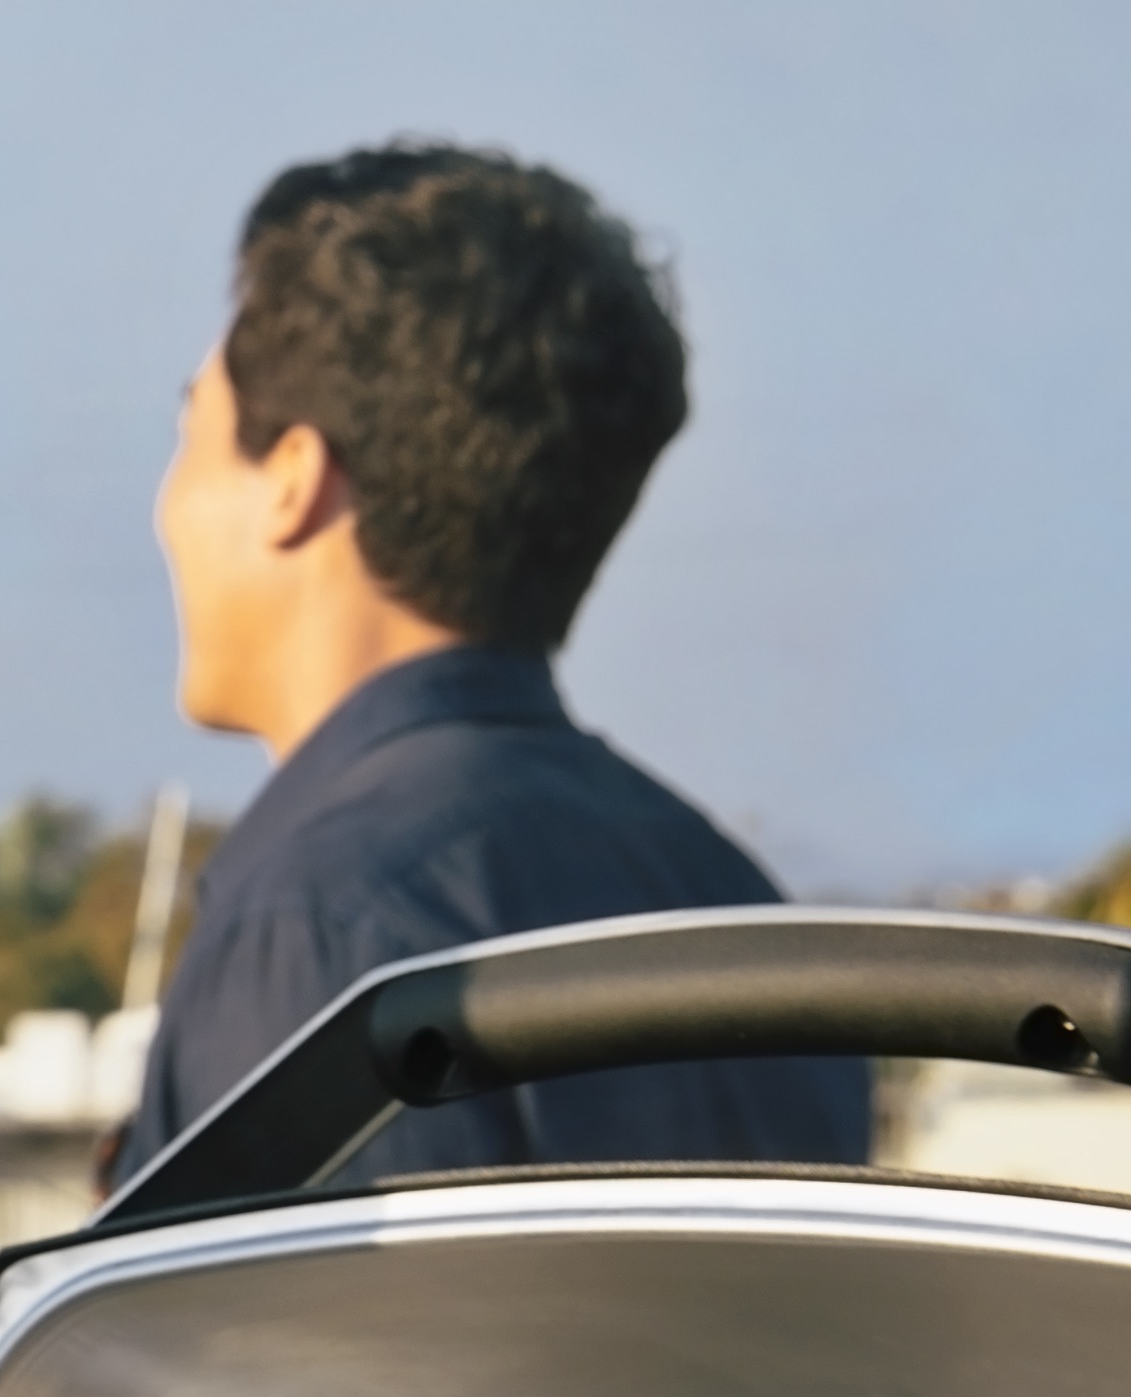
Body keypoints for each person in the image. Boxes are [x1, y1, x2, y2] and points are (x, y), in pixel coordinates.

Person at [126, 142, 872, 1173]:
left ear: (294, 479)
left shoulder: (320, 926)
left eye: (190, 431)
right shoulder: (726, 896)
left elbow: (306, 1340)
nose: (165, 503)